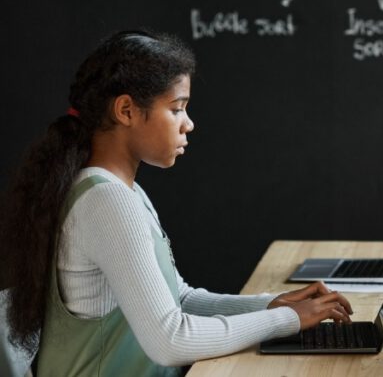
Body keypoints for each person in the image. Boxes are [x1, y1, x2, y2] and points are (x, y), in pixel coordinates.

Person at [0, 31, 353, 376]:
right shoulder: (106, 202)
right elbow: (170, 340)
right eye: (176, 108)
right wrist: (287, 321)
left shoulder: (123, 192)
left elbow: (179, 299)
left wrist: (271, 304)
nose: (189, 124)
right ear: (126, 110)